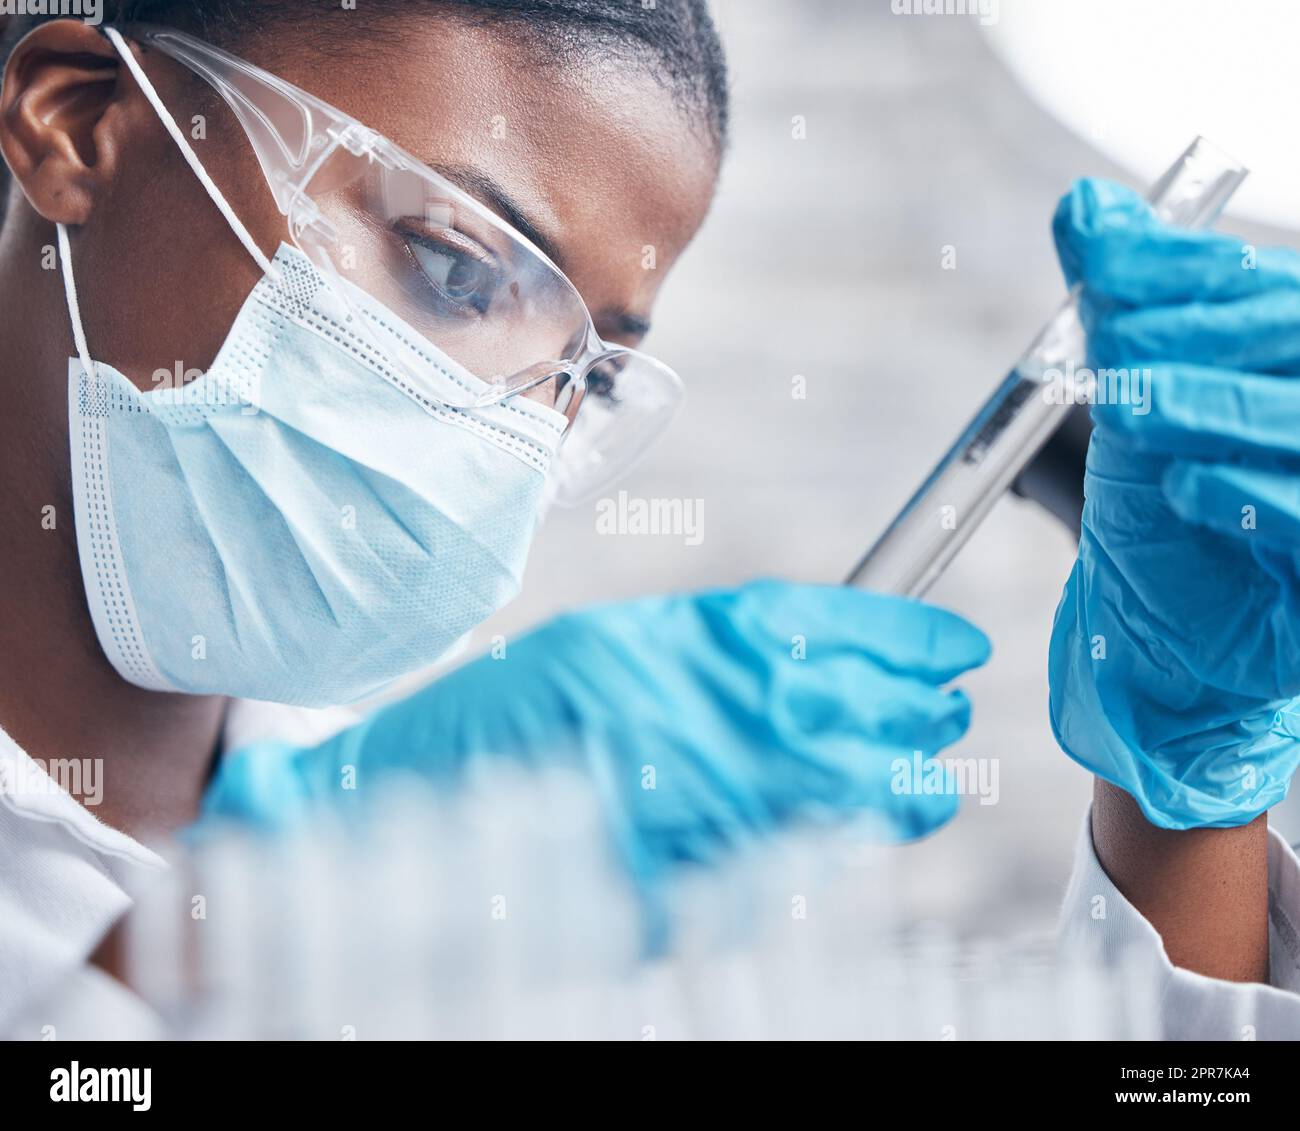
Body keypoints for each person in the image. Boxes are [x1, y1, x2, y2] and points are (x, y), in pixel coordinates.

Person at [0, 5, 1295, 1042]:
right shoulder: (413, 822)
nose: (512, 433)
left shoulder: (509, 851)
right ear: (78, 124)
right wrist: (282, 909)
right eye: (457, 266)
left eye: (590, 372)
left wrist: (1183, 791)